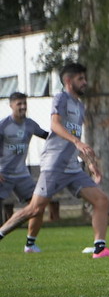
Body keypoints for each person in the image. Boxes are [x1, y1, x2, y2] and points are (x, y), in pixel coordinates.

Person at [0, 63, 109, 258]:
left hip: (72, 167)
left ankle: (100, 249)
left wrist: (90, 163)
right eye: (80, 79)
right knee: (35, 208)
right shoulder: (61, 98)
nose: (85, 82)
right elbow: (55, 125)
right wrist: (77, 142)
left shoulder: (79, 105)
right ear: (68, 81)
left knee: (101, 200)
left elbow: (74, 138)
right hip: (54, 164)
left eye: (84, 78)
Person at [0, 92, 49, 252]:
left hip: (22, 175)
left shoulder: (30, 124)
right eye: (19, 104)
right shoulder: (4, 125)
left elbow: (46, 136)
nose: (22, 107)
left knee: (38, 206)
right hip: (3, 174)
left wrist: (65, 138)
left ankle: (30, 244)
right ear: (11, 105)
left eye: (24, 104)